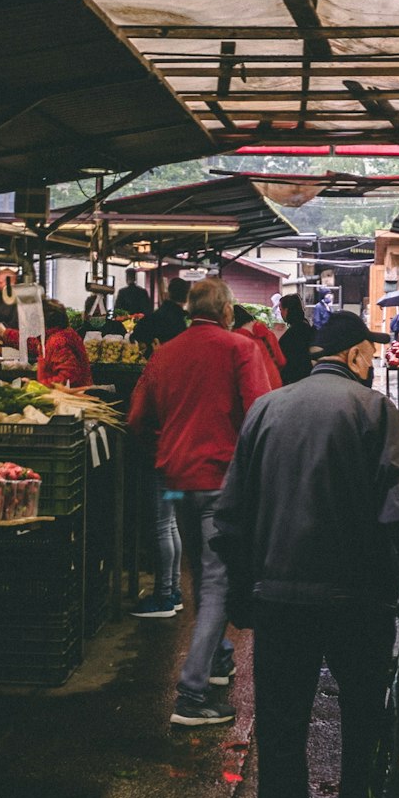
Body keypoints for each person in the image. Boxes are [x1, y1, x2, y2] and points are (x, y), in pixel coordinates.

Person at [213, 310, 399, 798]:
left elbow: (230, 513)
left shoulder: (267, 409)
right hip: (360, 601)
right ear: (359, 355)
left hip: (279, 598)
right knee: (365, 726)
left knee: (281, 735)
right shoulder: (372, 409)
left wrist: (240, 587)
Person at [127, 278, 271, 717]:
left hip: (176, 479)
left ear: (189, 310)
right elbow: (262, 414)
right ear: (227, 311)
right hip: (221, 482)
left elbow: (136, 419)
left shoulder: (163, 353)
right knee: (216, 582)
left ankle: (219, 655)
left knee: (201, 575)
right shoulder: (239, 349)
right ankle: (192, 693)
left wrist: (167, 446)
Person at [36, 301, 93, 388]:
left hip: (70, 396)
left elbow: (68, 376)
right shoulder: (65, 333)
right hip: (78, 392)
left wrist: (41, 386)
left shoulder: (58, 341)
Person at [232, 304, 285, 391]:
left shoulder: (236, 338)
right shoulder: (268, 333)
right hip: (275, 383)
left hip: (254, 386)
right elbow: (281, 361)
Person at [133, 276, 189, 351]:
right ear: (186, 298)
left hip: (151, 360)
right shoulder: (181, 323)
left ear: (169, 293)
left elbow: (136, 335)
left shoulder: (153, 317)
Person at [278, 293, 315, 386]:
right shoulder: (305, 326)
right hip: (307, 377)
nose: (281, 313)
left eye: (281, 310)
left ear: (287, 310)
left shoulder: (295, 331)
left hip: (295, 381)